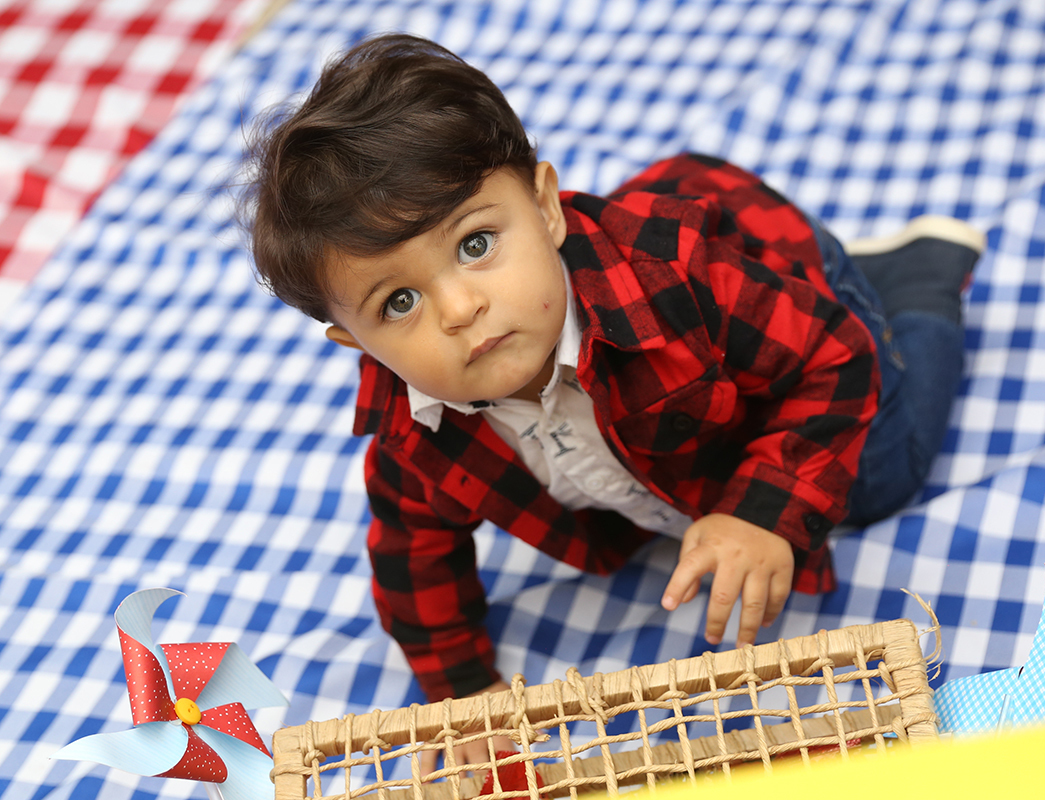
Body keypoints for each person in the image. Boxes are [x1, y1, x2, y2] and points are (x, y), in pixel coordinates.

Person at [244, 32, 983, 758]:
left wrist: (761, 513)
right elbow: (415, 560)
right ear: (356, 344)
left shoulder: (677, 282)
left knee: (879, 473)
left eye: (475, 245)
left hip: (776, 277)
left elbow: (833, 357)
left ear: (546, 208)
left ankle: (913, 285)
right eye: (398, 302)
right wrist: (465, 691)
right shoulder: (413, 434)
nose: (459, 309)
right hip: (699, 391)